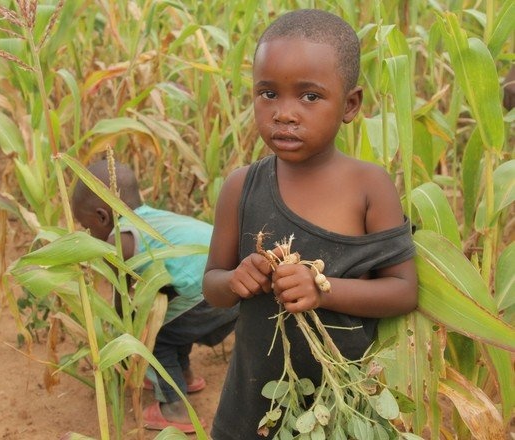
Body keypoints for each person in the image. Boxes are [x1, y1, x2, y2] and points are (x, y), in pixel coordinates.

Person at [202, 9, 418, 440]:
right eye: (268, 94)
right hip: (254, 404)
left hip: (343, 406)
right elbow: (212, 285)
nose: (284, 114)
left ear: (350, 105)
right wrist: (236, 280)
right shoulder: (241, 188)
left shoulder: (368, 187)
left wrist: (322, 289)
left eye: (310, 97)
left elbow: (403, 291)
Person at [71, 159, 239, 433]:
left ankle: (174, 407)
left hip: (212, 291)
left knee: (152, 337)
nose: (88, 236)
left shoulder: (118, 239)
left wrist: (127, 343)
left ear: (102, 217)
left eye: (87, 229)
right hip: (233, 280)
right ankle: (183, 375)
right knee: (171, 323)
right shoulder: (152, 218)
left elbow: (123, 303)